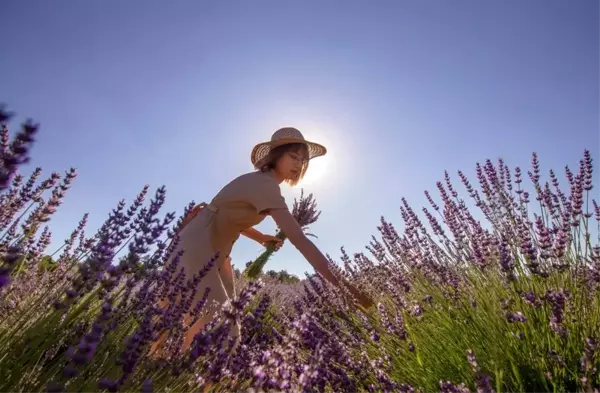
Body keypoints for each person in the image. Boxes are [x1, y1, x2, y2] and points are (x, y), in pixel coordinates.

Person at [150, 127, 373, 357]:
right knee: (219, 326)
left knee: (198, 320)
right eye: (293, 157)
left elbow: (229, 217)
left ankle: (164, 372)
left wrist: (261, 237)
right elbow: (299, 239)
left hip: (214, 248)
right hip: (199, 245)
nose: (298, 164)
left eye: (303, 160)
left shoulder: (263, 183)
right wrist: (343, 286)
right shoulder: (265, 186)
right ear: (277, 155)